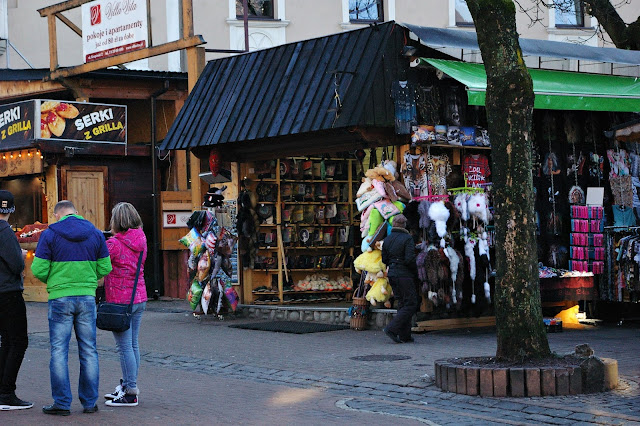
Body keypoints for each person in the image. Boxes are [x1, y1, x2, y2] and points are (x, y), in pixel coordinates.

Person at [32, 200, 112, 416]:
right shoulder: (95, 233)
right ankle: (89, 402)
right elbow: (105, 266)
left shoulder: (50, 234)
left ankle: (62, 403)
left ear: (57, 215)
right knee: (89, 350)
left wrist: (56, 281)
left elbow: (38, 269)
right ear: (76, 213)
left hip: (60, 298)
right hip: (86, 297)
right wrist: (88, 281)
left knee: (59, 350)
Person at [102, 202, 147, 407]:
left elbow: (100, 265)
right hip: (139, 297)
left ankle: (130, 392)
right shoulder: (142, 239)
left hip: (120, 301)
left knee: (124, 347)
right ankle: (129, 385)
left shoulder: (113, 244)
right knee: (133, 344)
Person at [0, 190, 32, 410]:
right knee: (18, 341)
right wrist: (20, 255)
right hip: (8, 293)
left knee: (6, 340)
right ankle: (6, 392)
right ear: (11, 209)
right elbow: (16, 264)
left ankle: (2, 390)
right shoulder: (5, 231)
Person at [381, 214, 418, 343]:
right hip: (404, 274)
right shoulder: (407, 238)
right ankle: (392, 328)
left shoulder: (387, 239)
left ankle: (404, 335)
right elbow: (409, 259)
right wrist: (415, 271)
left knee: (402, 303)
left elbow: (384, 259)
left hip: (392, 273)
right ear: (404, 225)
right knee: (411, 303)